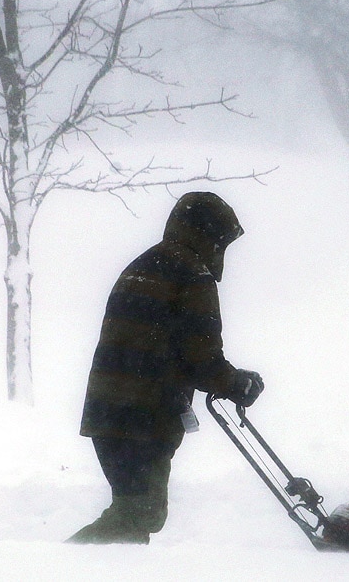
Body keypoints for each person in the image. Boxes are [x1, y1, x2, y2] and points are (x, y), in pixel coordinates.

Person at [67, 191, 264, 545]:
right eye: (222, 243)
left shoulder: (146, 264)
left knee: (135, 514)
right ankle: (52, 569)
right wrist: (237, 385)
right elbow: (201, 357)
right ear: (211, 238)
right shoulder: (192, 275)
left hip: (109, 410)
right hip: (143, 416)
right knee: (136, 515)